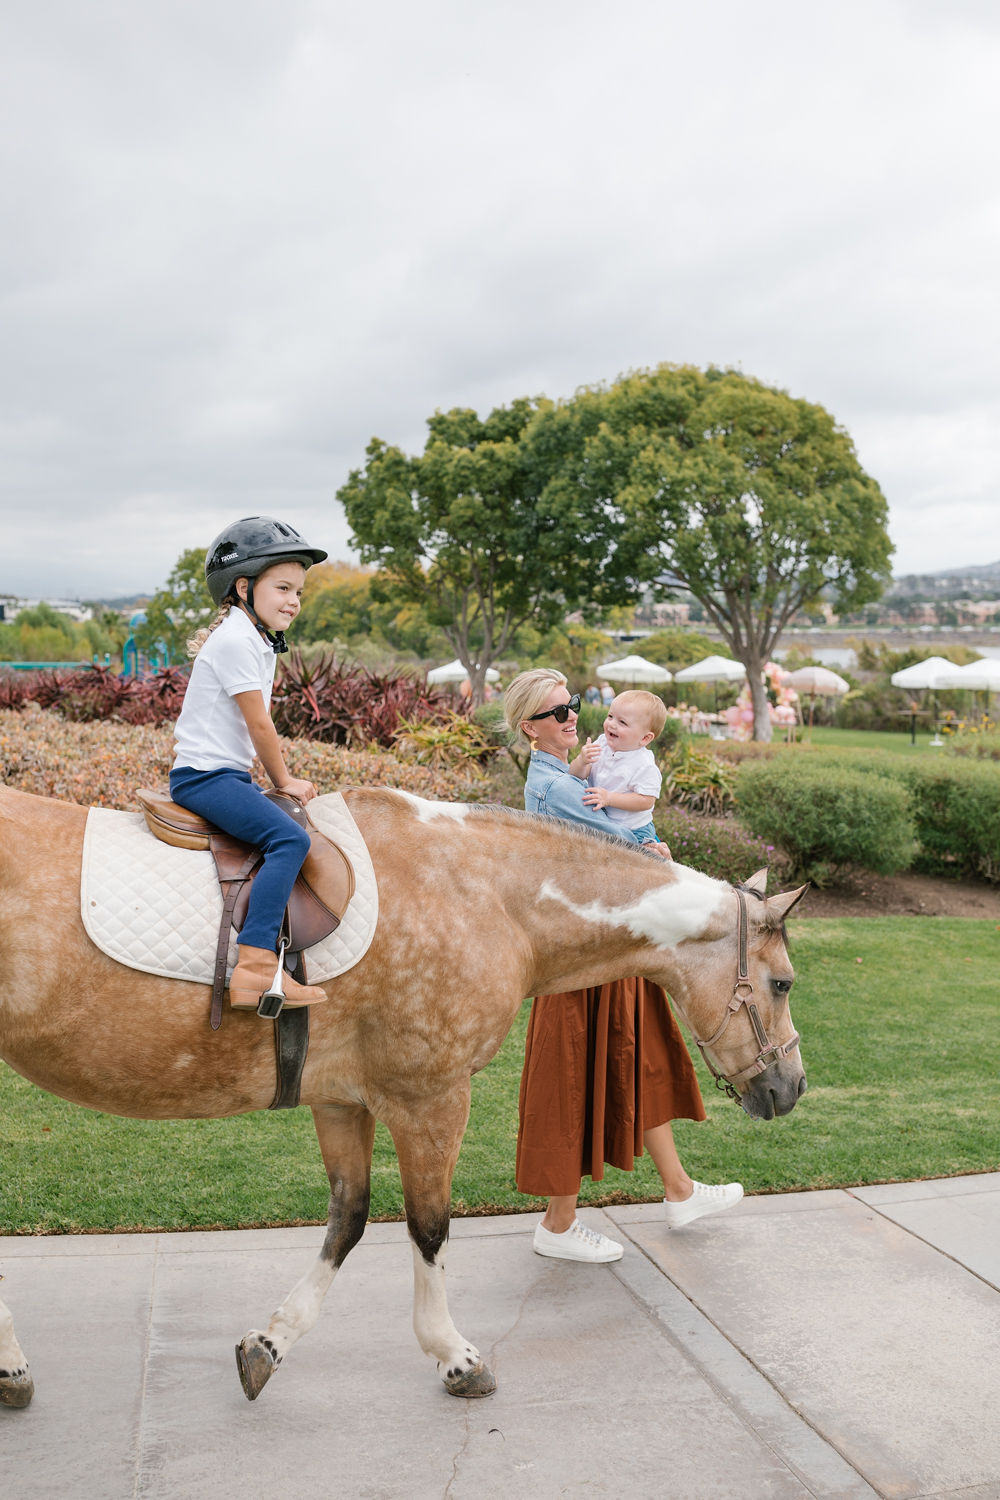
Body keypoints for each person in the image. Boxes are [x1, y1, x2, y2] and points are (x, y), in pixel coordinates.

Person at [504, 668, 742, 1263]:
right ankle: (557, 1226)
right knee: (571, 1077)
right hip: (577, 956)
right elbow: (615, 850)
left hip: (607, 946)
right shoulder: (554, 785)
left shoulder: (569, 770)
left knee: (641, 1057)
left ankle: (680, 1190)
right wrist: (657, 855)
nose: (573, 719)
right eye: (559, 713)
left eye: (574, 705)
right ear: (532, 728)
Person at [170, 515, 330, 1014]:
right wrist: (285, 781)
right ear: (244, 588)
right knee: (289, 838)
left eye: (299, 592)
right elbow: (259, 726)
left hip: (226, 776)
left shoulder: (256, 641)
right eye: (282, 588)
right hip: (203, 778)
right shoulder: (238, 641)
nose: (293, 601)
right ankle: (258, 968)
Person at [580, 689, 666, 845]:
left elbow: (646, 800)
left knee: (639, 862)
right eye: (610, 716)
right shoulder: (602, 743)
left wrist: (609, 798)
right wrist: (583, 761)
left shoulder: (643, 765)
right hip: (604, 822)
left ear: (645, 738)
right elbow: (577, 775)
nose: (612, 724)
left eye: (622, 722)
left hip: (634, 829)